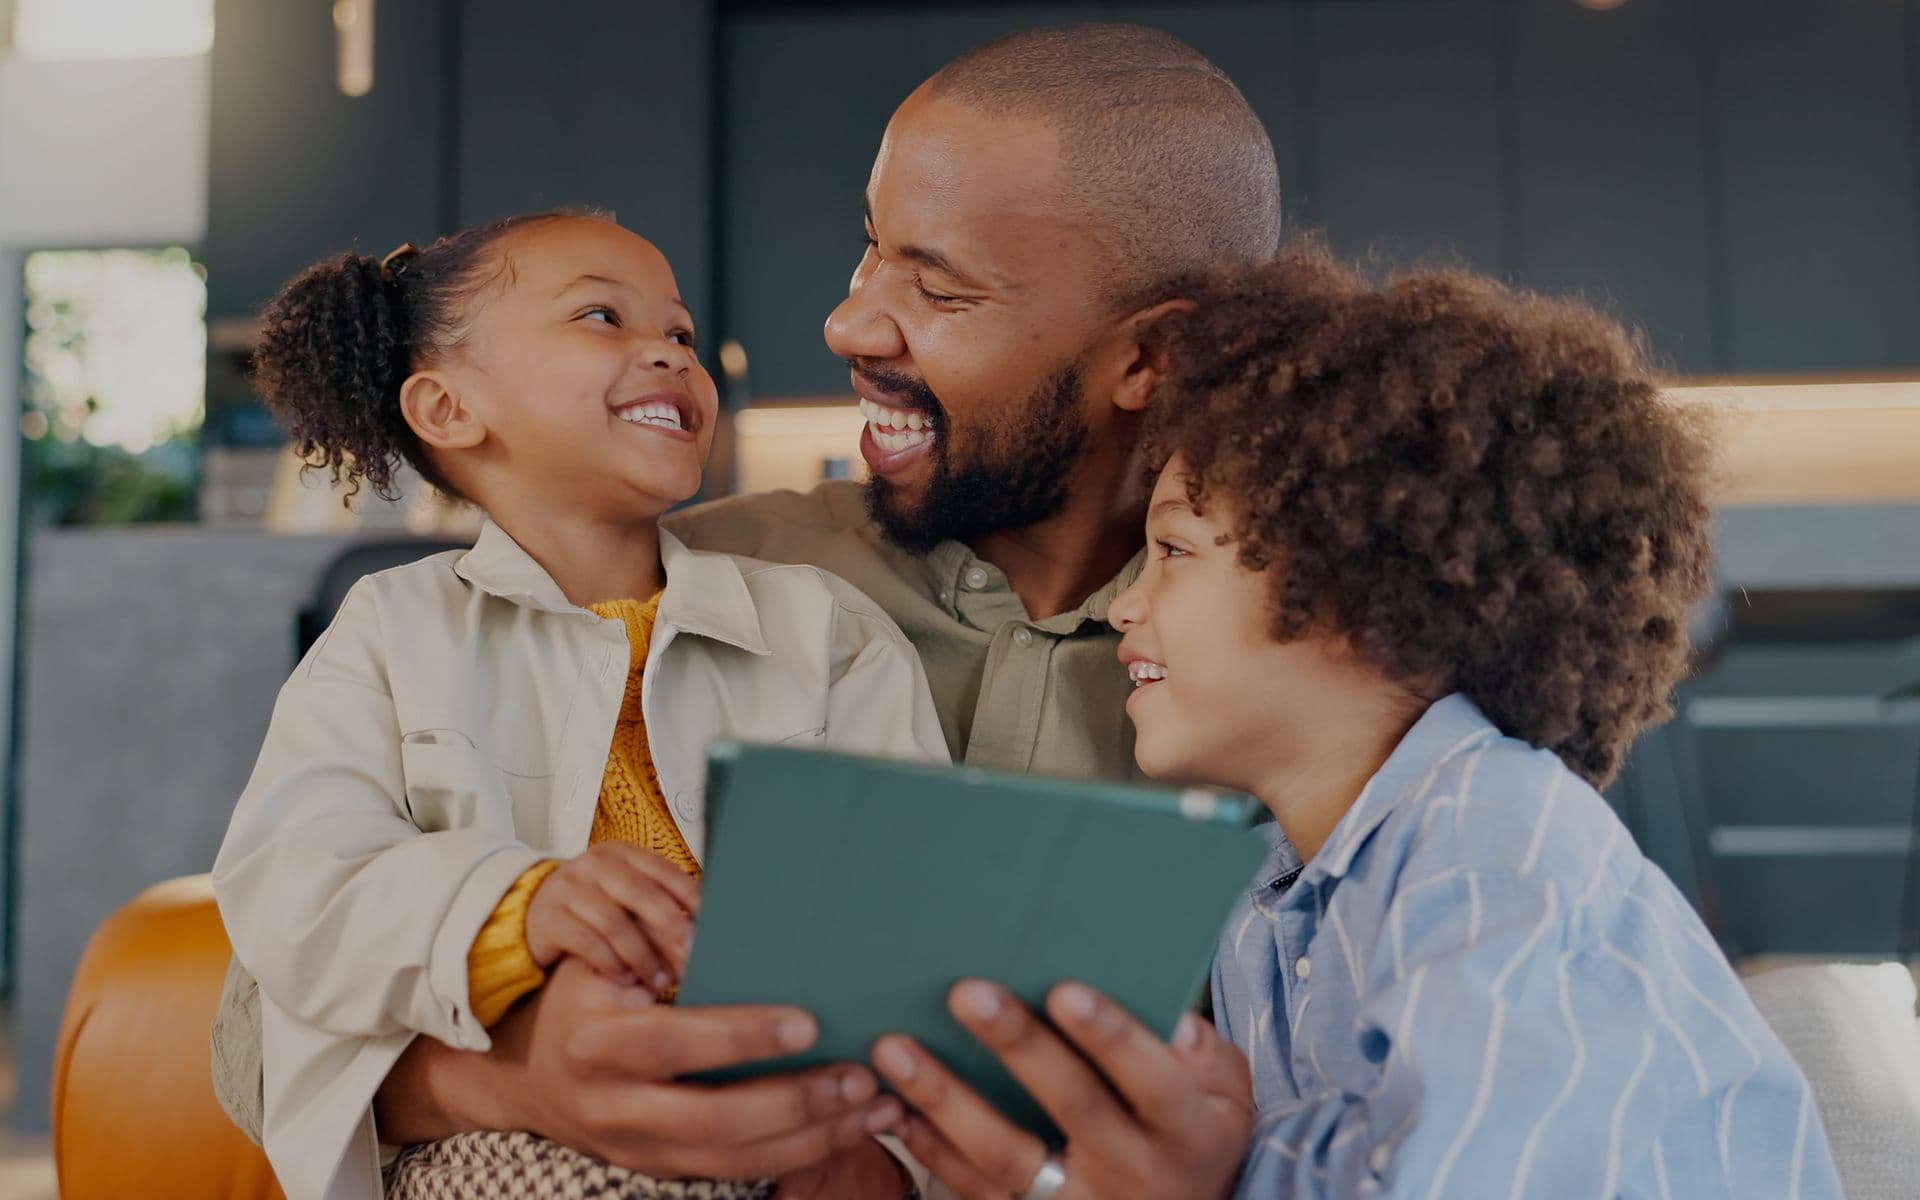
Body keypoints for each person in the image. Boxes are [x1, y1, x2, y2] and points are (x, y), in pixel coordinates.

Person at [211, 23, 1290, 1198]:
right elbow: (258, 1009)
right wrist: (521, 1080)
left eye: (936, 284)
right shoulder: (682, 565)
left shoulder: (1306, 666)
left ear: (1153, 356)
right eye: (868, 251)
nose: (849, 323)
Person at [870, 250, 1847, 1197]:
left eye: (1173, 550)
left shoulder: (1493, 847)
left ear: (1350, 593)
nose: (1127, 606)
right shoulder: (1262, 905)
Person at [212, 209, 947, 1200]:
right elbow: (298, 886)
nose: (668, 354)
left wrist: (867, 1151)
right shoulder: (389, 631)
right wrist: (520, 905)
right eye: (602, 317)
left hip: (784, 1116)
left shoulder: (825, 628)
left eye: (680, 335)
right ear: (446, 409)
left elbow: (916, 900)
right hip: (506, 1140)